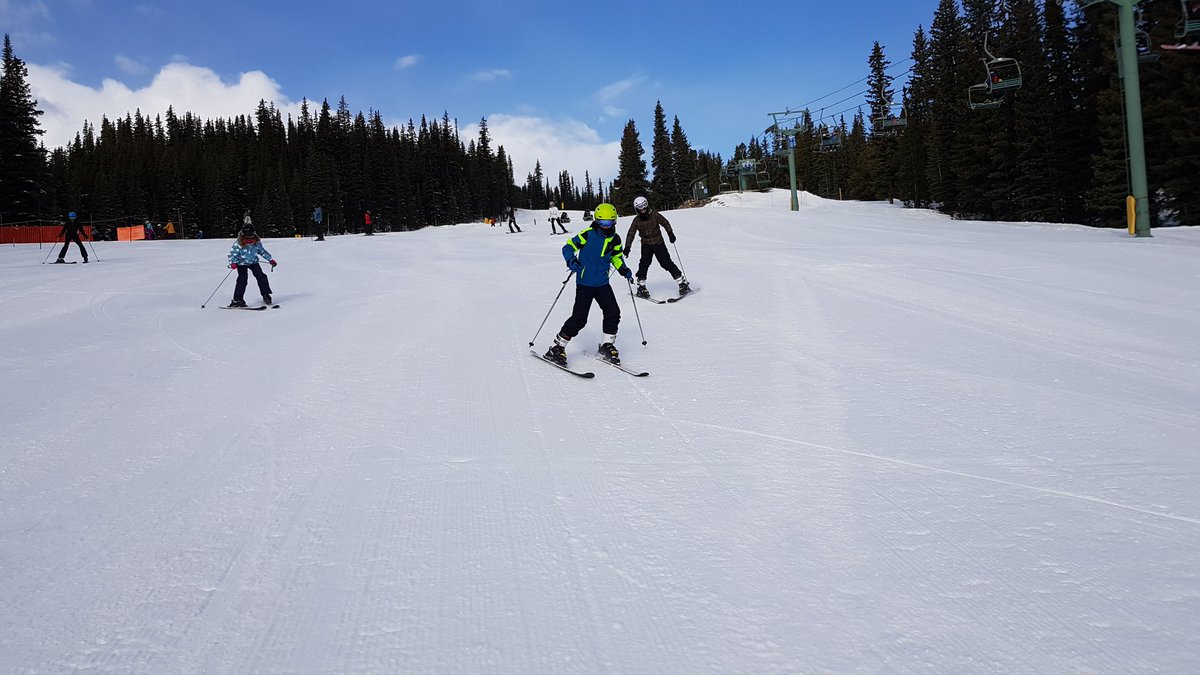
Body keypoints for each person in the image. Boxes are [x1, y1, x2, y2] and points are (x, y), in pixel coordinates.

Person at [543, 202, 634, 366]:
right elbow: (568, 247)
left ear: (614, 221)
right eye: (602, 222)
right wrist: (571, 260)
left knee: (613, 312)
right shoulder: (588, 234)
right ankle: (557, 348)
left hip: (602, 283)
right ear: (597, 221)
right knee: (579, 318)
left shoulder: (616, 239)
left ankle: (607, 345)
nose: (606, 226)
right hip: (585, 283)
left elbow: (616, 257)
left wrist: (623, 269)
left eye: (609, 222)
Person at [625, 196, 688, 297]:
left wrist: (670, 234)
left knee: (666, 263)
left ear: (647, 206)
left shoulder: (654, 215)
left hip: (658, 243)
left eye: (644, 207)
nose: (642, 210)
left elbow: (665, 223)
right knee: (644, 264)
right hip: (646, 245)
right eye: (640, 209)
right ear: (636, 209)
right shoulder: (636, 220)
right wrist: (627, 247)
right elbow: (631, 233)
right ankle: (642, 287)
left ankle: (682, 283)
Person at [227, 217, 277, 307]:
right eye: (247, 236)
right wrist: (233, 262)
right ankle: (237, 299)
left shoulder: (256, 242)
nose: (249, 239)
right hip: (241, 263)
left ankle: (266, 295)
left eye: (251, 236)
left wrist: (270, 259)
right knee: (242, 279)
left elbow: (262, 251)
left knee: (261, 276)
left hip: (253, 262)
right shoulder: (238, 243)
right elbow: (233, 254)